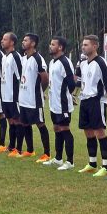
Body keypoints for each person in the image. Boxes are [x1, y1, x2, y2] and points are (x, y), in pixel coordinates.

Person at [75, 34, 107, 176]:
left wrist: (104, 98)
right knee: (88, 132)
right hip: (84, 100)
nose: (83, 47)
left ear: (95, 46)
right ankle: (92, 163)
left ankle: (106, 166)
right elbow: (80, 81)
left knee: (99, 132)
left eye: (86, 45)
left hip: (96, 101)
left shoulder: (101, 63)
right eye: (83, 44)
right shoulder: (83, 63)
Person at [17, 33, 51, 163]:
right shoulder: (24, 58)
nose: (23, 42)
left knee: (40, 123)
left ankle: (47, 154)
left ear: (33, 43)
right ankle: (30, 150)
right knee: (25, 123)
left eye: (26, 40)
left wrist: (40, 91)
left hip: (34, 99)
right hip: (24, 98)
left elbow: (45, 79)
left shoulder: (38, 59)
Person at [46, 36, 77, 170]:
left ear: (60, 47)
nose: (50, 46)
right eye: (50, 44)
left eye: (53, 44)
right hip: (53, 103)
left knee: (65, 129)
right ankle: (58, 158)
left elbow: (71, 83)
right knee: (57, 129)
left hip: (63, 104)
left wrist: (64, 96)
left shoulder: (65, 62)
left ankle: (70, 161)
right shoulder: (52, 62)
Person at [0, 32, 26, 157]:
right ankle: (11, 146)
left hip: (14, 96)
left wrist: (19, 94)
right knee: (11, 121)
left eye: (5, 39)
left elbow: (20, 76)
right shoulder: (4, 57)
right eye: (2, 39)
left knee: (18, 121)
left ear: (12, 42)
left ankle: (19, 149)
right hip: (5, 96)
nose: (2, 41)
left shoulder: (16, 57)